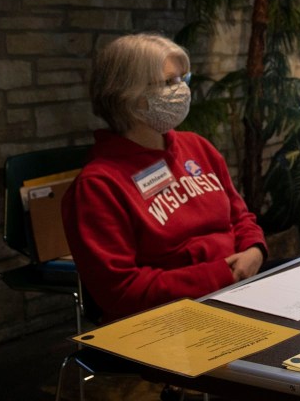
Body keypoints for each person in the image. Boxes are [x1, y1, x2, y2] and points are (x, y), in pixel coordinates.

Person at [62, 33, 266, 322]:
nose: (181, 90)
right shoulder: (98, 186)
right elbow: (121, 291)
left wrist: (254, 249)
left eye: (183, 79)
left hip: (234, 291)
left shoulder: (197, 147)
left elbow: (240, 217)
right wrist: (221, 274)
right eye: (168, 82)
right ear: (126, 94)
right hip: (166, 321)